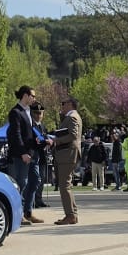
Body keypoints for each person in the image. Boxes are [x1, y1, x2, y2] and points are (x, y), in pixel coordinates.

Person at [5, 86, 43, 225]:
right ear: (25, 95)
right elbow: (16, 135)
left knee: (35, 181)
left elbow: (29, 134)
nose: (34, 98)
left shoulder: (28, 111)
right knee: (20, 184)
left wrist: (40, 141)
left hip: (31, 154)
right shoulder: (15, 112)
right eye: (33, 95)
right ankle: (18, 215)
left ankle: (28, 212)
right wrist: (23, 153)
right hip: (20, 155)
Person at [53, 95, 83, 224]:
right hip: (68, 154)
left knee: (64, 186)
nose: (62, 106)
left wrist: (56, 140)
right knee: (67, 185)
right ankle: (72, 214)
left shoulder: (72, 117)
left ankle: (70, 215)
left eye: (63, 103)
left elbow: (73, 135)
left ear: (70, 104)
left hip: (68, 154)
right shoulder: (72, 116)